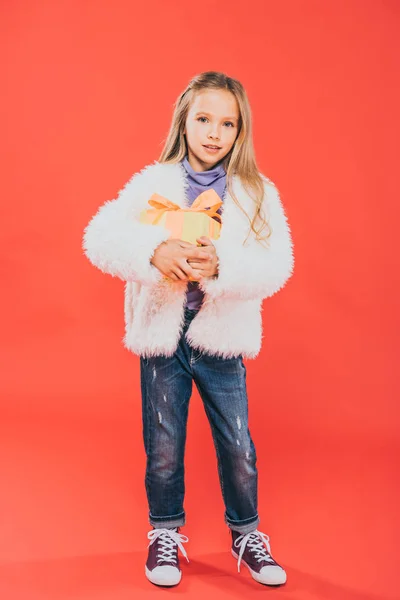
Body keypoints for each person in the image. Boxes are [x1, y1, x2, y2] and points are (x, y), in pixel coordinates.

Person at [82, 70, 294, 588]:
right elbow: (100, 235)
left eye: (227, 123)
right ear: (185, 121)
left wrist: (220, 265)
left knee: (239, 447)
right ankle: (165, 533)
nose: (214, 133)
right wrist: (151, 251)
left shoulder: (256, 192)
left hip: (220, 340)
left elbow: (278, 265)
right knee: (163, 448)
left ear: (240, 131)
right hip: (163, 339)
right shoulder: (152, 182)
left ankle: (246, 534)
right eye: (203, 119)